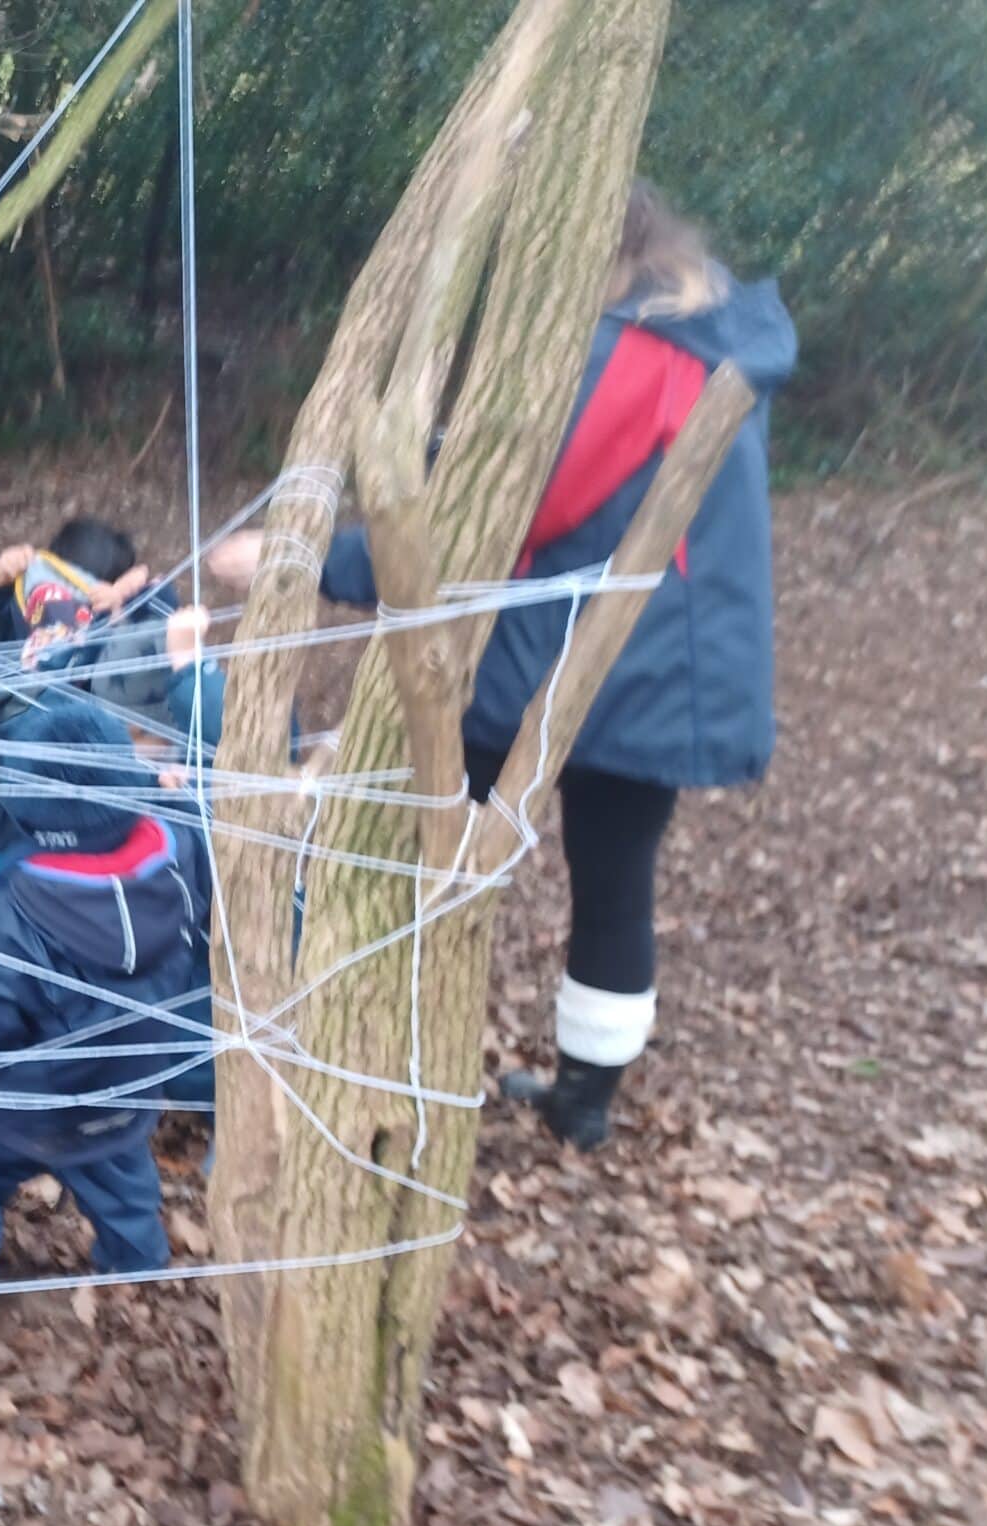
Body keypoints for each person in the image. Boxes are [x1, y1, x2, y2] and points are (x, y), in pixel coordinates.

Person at [318, 181, 797, 1149]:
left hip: (602, 661)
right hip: (664, 669)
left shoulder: (634, 351)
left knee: (423, 835)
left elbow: (510, 513)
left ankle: (388, 1058)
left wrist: (326, 562)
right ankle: (582, 1099)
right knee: (613, 877)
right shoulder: (705, 333)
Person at [0, 693, 205, 1335]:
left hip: (23, 1105)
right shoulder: (177, 854)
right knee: (120, 1172)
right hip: (126, 1089)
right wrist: (173, 797)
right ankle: (138, 1265)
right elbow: (190, 834)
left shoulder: (21, 906)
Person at [0, 517, 179, 905]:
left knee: (65, 913)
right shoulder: (23, 631)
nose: (67, 609)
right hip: (6, 817)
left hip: (89, 827)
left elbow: (170, 633)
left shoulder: (121, 642)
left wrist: (133, 598)